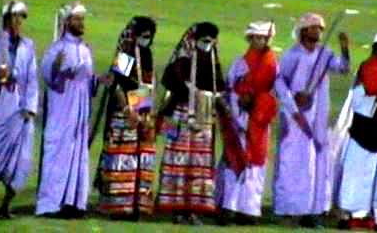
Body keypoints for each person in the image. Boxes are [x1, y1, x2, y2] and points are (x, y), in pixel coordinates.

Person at [273, 12, 350, 228]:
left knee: (317, 163)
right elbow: (279, 83)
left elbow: (343, 69)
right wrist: (295, 99)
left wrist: (344, 48)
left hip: (318, 117)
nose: (318, 32)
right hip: (296, 118)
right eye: (314, 28)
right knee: (294, 163)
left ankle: (313, 212)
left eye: (320, 29)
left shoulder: (325, 54)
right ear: (304, 31)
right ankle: (289, 211)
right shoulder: (292, 55)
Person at [36, 1, 104, 218]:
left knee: (78, 157)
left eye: (82, 19)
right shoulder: (57, 49)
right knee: (58, 155)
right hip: (62, 113)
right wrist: (57, 66)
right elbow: (48, 76)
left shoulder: (85, 50)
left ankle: (73, 203)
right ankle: (51, 204)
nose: (81, 23)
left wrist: (98, 80)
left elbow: (87, 82)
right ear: (66, 22)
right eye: (77, 19)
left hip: (80, 116)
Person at [157, 22, 225, 225]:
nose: (208, 44)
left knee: (198, 165)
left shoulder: (211, 60)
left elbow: (218, 86)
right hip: (178, 116)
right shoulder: (181, 60)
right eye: (205, 40)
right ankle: (173, 208)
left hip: (202, 120)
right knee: (176, 161)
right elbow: (126, 82)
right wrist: (134, 109)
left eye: (211, 41)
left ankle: (191, 209)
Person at [94, 16, 157, 220]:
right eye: (143, 36)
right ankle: (118, 206)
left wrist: (142, 111)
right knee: (122, 157)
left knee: (139, 160)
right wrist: (129, 109)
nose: (146, 39)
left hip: (139, 110)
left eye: (149, 36)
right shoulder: (124, 54)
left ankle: (136, 204)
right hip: (123, 112)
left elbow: (146, 85)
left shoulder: (147, 54)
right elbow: (116, 85)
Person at [215, 21, 278, 225]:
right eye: (258, 38)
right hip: (238, 118)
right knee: (236, 162)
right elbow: (229, 89)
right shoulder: (239, 64)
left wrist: (259, 103)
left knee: (256, 165)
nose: (261, 42)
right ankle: (229, 208)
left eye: (264, 38)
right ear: (250, 39)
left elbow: (275, 91)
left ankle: (249, 209)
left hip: (259, 121)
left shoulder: (272, 64)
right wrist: (239, 102)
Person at [0, 0, 38, 218]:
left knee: (20, 159)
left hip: (20, 110)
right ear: (6, 19)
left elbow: (32, 78)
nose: (18, 22)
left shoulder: (28, 46)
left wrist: (30, 107)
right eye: (15, 17)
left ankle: (6, 204)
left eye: (21, 17)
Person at [336, 33, 377, 233]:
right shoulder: (368, 67)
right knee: (359, 172)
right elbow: (359, 96)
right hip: (365, 124)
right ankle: (357, 215)